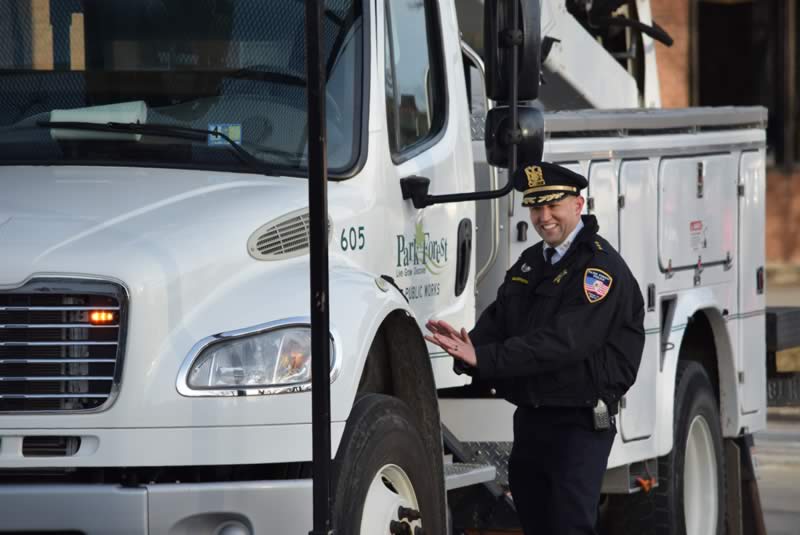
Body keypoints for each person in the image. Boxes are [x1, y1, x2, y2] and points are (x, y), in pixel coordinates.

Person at [425, 161, 645, 535]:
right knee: (535, 523)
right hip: (532, 420)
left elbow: (566, 341)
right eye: (535, 207)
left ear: (578, 204)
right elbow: (500, 322)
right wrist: (468, 348)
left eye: (553, 206)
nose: (543, 218)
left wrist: (486, 357)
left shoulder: (599, 270)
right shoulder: (532, 262)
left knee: (568, 526)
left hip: (579, 424)